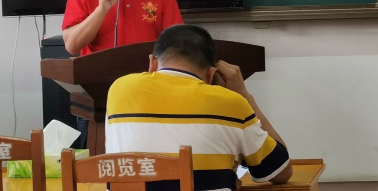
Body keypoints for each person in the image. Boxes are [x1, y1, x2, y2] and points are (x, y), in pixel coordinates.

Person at [106, 24, 292, 191]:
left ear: (152, 63)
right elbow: (281, 172)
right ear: (212, 74)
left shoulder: (119, 89)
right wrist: (244, 96)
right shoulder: (231, 103)